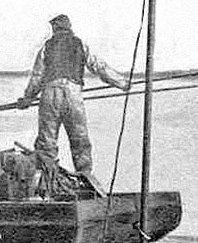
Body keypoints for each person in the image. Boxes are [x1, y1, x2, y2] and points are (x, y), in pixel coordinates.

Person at [16, 14, 129, 186]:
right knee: (80, 140)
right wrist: (122, 83)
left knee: (47, 143)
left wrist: (27, 98)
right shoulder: (80, 44)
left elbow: (37, 77)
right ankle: (87, 183)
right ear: (69, 28)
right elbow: (99, 67)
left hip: (50, 94)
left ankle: (48, 185)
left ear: (55, 29)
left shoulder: (47, 46)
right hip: (73, 93)